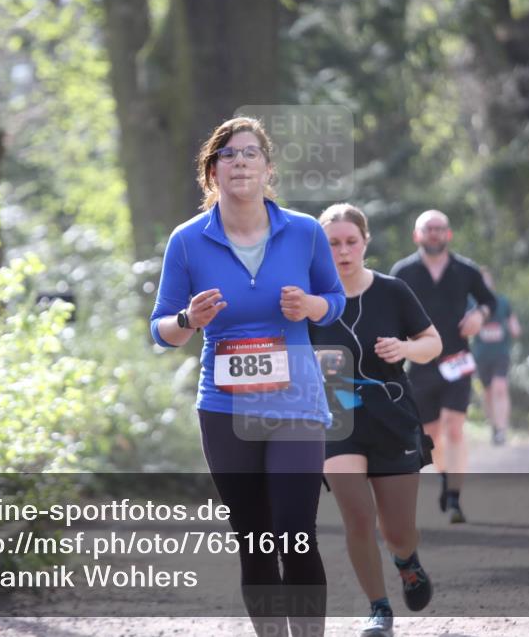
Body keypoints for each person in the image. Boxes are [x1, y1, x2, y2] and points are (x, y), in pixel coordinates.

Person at [149, 117, 345, 637]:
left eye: (250, 154)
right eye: (228, 155)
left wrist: (311, 305)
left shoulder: (304, 232)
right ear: (211, 172)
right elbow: (162, 329)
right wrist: (190, 320)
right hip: (226, 407)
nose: (240, 162)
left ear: (267, 168)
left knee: (295, 533)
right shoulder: (188, 242)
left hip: (297, 403)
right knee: (255, 537)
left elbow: (336, 302)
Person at [309, 204, 443, 637]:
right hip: (336, 417)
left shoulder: (393, 291)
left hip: (391, 416)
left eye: (351, 242)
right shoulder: (308, 301)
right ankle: (379, 608)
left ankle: (406, 561)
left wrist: (405, 349)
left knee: (398, 530)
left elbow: (432, 342)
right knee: (357, 516)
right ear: (319, 247)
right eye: (333, 243)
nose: (343, 251)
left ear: (365, 243)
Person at [390, 210, 496, 524]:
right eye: (428, 229)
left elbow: (488, 301)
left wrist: (479, 316)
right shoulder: (403, 272)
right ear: (417, 235)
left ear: (448, 234)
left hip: (458, 360)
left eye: (439, 229)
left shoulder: (465, 270)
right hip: (420, 363)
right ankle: (445, 476)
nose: (434, 234)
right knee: (431, 433)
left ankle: (454, 497)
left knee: (454, 426)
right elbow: (390, 311)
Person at [471, 268, 521, 446]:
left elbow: (515, 327)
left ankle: (502, 429)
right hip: (482, 355)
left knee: (500, 387)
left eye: (487, 281)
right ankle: (494, 425)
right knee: (489, 393)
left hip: (501, 353)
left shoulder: (503, 302)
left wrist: (513, 328)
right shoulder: (472, 304)